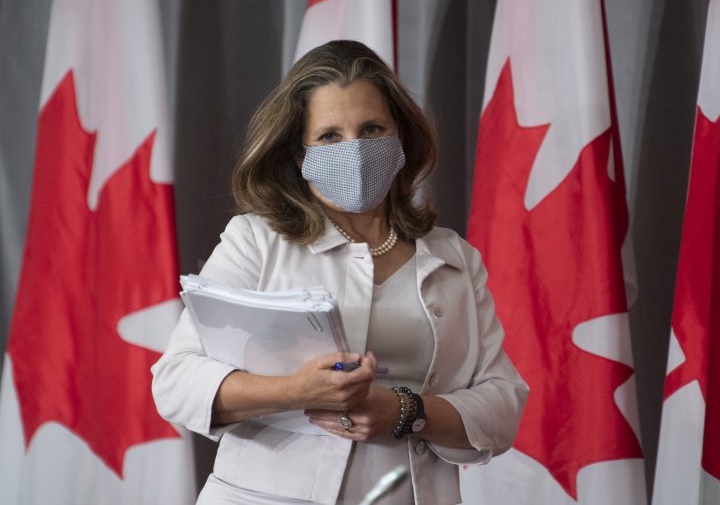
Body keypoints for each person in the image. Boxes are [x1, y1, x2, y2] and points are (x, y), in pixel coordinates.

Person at [151, 40, 528, 505]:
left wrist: (408, 412)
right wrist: (296, 391)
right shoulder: (256, 240)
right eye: (329, 136)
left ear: (401, 141)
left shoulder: (455, 258)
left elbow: (503, 406)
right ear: (298, 154)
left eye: (372, 129)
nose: (354, 151)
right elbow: (176, 381)